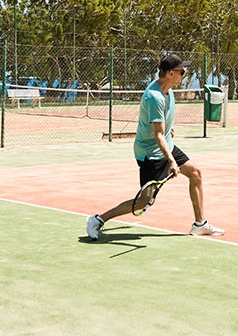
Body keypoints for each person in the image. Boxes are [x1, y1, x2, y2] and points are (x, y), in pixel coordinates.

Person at [86, 54, 224, 240]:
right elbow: (158, 135)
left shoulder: (168, 91)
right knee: (143, 202)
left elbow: (161, 128)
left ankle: (200, 224)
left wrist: (169, 129)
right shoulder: (154, 97)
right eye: (181, 72)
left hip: (166, 146)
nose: (183, 75)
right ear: (169, 73)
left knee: (195, 173)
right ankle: (98, 220)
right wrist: (172, 161)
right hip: (150, 154)